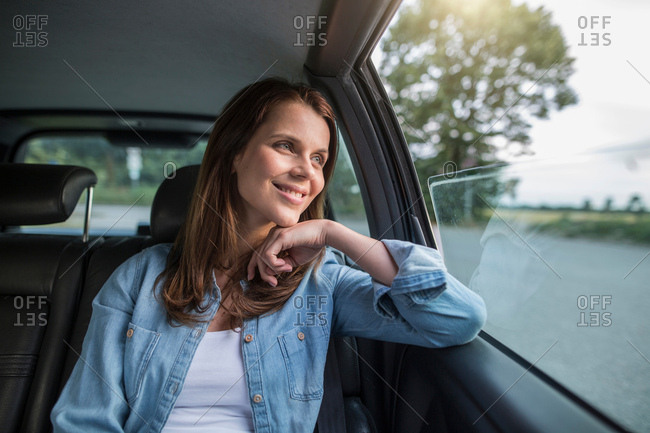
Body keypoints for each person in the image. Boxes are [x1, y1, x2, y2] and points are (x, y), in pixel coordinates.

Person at [51, 78, 486, 432]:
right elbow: (84, 422)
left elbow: (458, 318)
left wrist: (335, 234)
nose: (306, 172)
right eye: (286, 146)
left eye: (319, 158)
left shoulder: (321, 284)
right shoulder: (137, 279)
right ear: (234, 153)